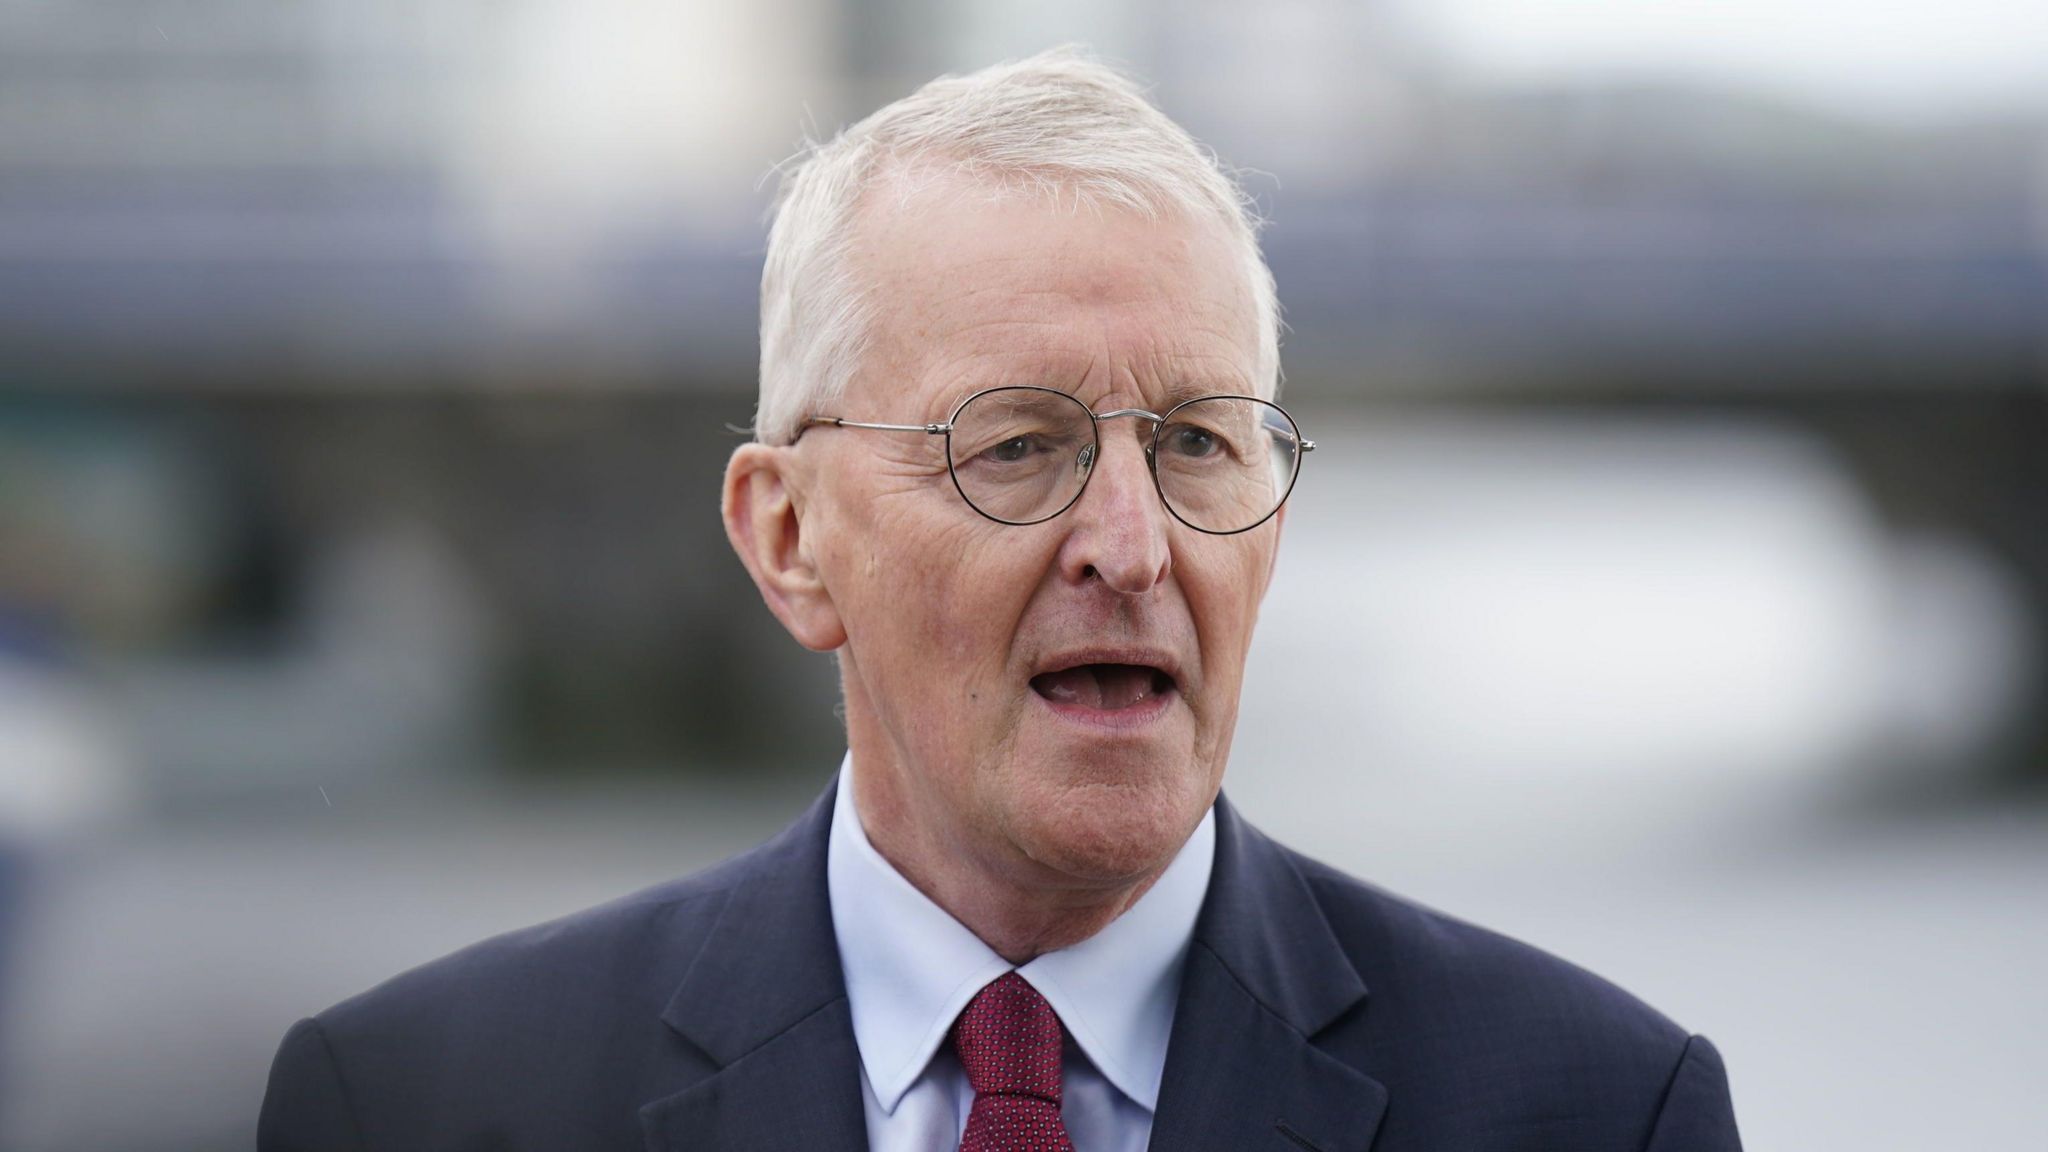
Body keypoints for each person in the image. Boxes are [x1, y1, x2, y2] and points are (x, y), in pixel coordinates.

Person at [259, 49, 1742, 1151]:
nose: (1132, 546)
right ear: (788, 539)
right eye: (1019, 447)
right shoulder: (413, 1106)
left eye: (1200, 446)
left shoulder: (1598, 1112)